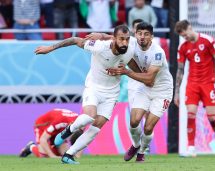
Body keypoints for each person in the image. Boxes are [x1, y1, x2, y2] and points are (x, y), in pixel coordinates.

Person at [34, 24, 140, 164]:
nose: (124, 42)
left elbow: (135, 69)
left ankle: (68, 155)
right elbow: (74, 40)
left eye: (127, 39)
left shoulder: (129, 49)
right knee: (89, 117)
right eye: (121, 39)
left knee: (95, 129)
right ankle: (68, 130)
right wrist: (50, 48)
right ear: (114, 38)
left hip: (112, 94)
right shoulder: (99, 47)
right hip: (94, 88)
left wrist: (128, 72)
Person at [108, 22, 173, 162]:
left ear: (152, 37)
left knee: (148, 127)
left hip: (162, 91)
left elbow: (149, 79)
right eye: (140, 33)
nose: (142, 37)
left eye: (146, 34)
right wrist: (99, 36)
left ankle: (142, 152)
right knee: (134, 120)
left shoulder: (157, 53)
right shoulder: (130, 42)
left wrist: (126, 71)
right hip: (145, 88)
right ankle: (136, 145)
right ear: (135, 34)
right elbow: (114, 37)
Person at [174, 20, 215, 157]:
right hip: (192, 84)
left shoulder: (208, 40)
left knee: (212, 117)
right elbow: (180, 70)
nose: (185, 38)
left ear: (190, 28)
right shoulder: (183, 47)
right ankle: (191, 148)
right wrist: (176, 92)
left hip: (208, 83)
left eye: (185, 34)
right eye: (182, 36)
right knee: (191, 113)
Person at [19, 108, 83, 158]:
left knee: (63, 154)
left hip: (60, 127)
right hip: (42, 125)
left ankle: (52, 150)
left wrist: (77, 156)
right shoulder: (59, 122)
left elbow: (81, 140)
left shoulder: (81, 123)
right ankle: (31, 147)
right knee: (44, 155)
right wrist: (52, 156)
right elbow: (43, 139)